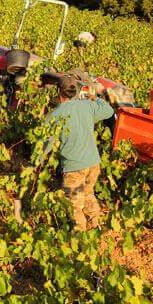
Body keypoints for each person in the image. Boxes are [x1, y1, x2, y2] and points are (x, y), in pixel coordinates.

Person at [45, 76, 114, 231]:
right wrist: (95, 98)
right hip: (93, 164)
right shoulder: (87, 106)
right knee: (88, 194)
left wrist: (36, 160)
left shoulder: (55, 115)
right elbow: (109, 111)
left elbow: (45, 144)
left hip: (74, 168)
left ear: (58, 91)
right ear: (76, 91)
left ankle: (80, 237)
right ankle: (95, 228)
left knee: (74, 205)